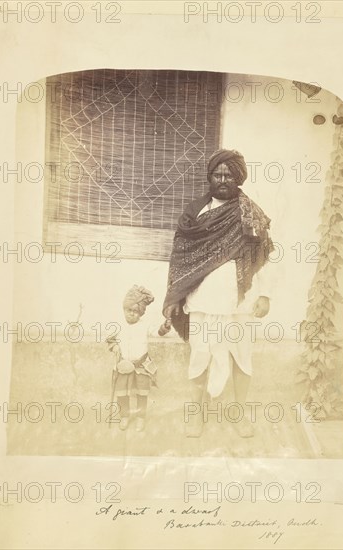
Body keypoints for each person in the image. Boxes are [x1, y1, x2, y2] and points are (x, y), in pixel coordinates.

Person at [162, 149, 274, 437]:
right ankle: (196, 415)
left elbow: (262, 256)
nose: (223, 179)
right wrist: (174, 297)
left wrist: (264, 295)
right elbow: (181, 260)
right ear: (210, 177)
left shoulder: (251, 213)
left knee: (241, 358)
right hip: (202, 302)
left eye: (229, 174)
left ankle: (238, 416)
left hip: (241, 305)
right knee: (200, 356)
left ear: (238, 178)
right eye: (218, 174)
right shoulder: (194, 215)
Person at [107, 285, 157, 432]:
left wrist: (165, 327)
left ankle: (140, 418)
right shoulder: (118, 324)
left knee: (142, 393)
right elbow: (110, 338)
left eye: (136, 312)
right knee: (122, 393)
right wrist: (114, 346)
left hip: (141, 365)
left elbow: (157, 332)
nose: (132, 314)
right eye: (129, 310)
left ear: (141, 313)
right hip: (123, 365)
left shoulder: (145, 325)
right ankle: (124, 416)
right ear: (124, 309)